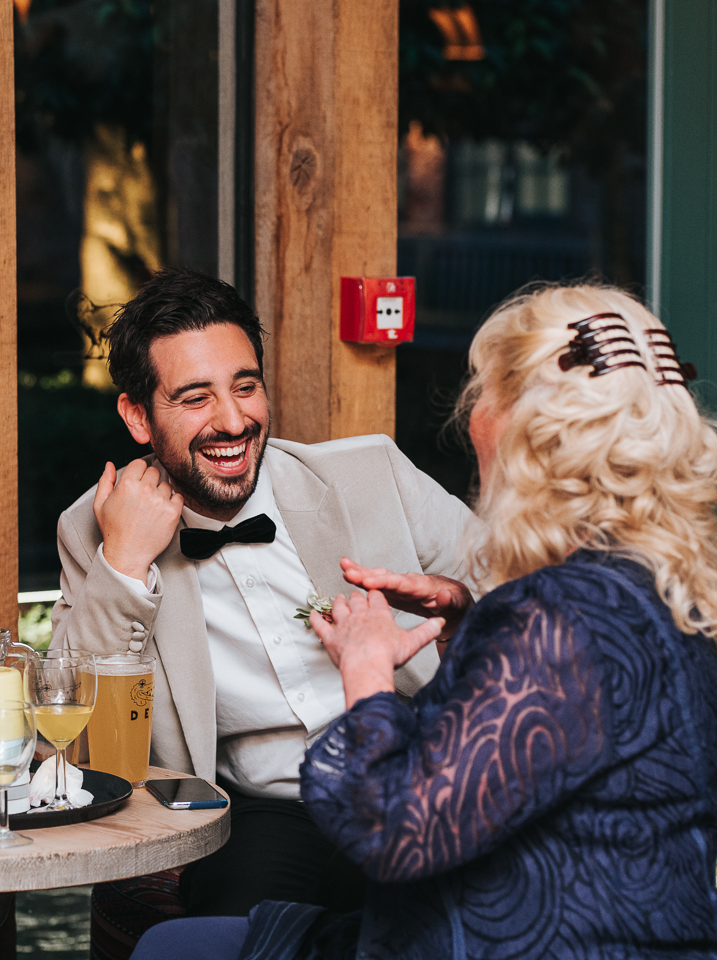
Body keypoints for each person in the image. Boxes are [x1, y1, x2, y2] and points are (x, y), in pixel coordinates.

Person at [130, 282, 717, 960]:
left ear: (530, 429)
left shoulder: (553, 615)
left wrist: (366, 666)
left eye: (483, 393)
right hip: (640, 928)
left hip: (532, 937)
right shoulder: (662, 586)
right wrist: (471, 629)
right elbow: (532, 747)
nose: (471, 417)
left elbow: (390, 829)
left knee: (175, 949)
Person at [51, 268, 479, 922]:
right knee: (238, 931)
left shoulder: (374, 472)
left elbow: (521, 593)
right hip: (266, 812)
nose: (233, 420)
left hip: (415, 773)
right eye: (195, 397)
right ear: (138, 416)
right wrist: (126, 561)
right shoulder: (96, 529)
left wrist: (459, 607)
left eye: (245, 387)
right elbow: (75, 745)